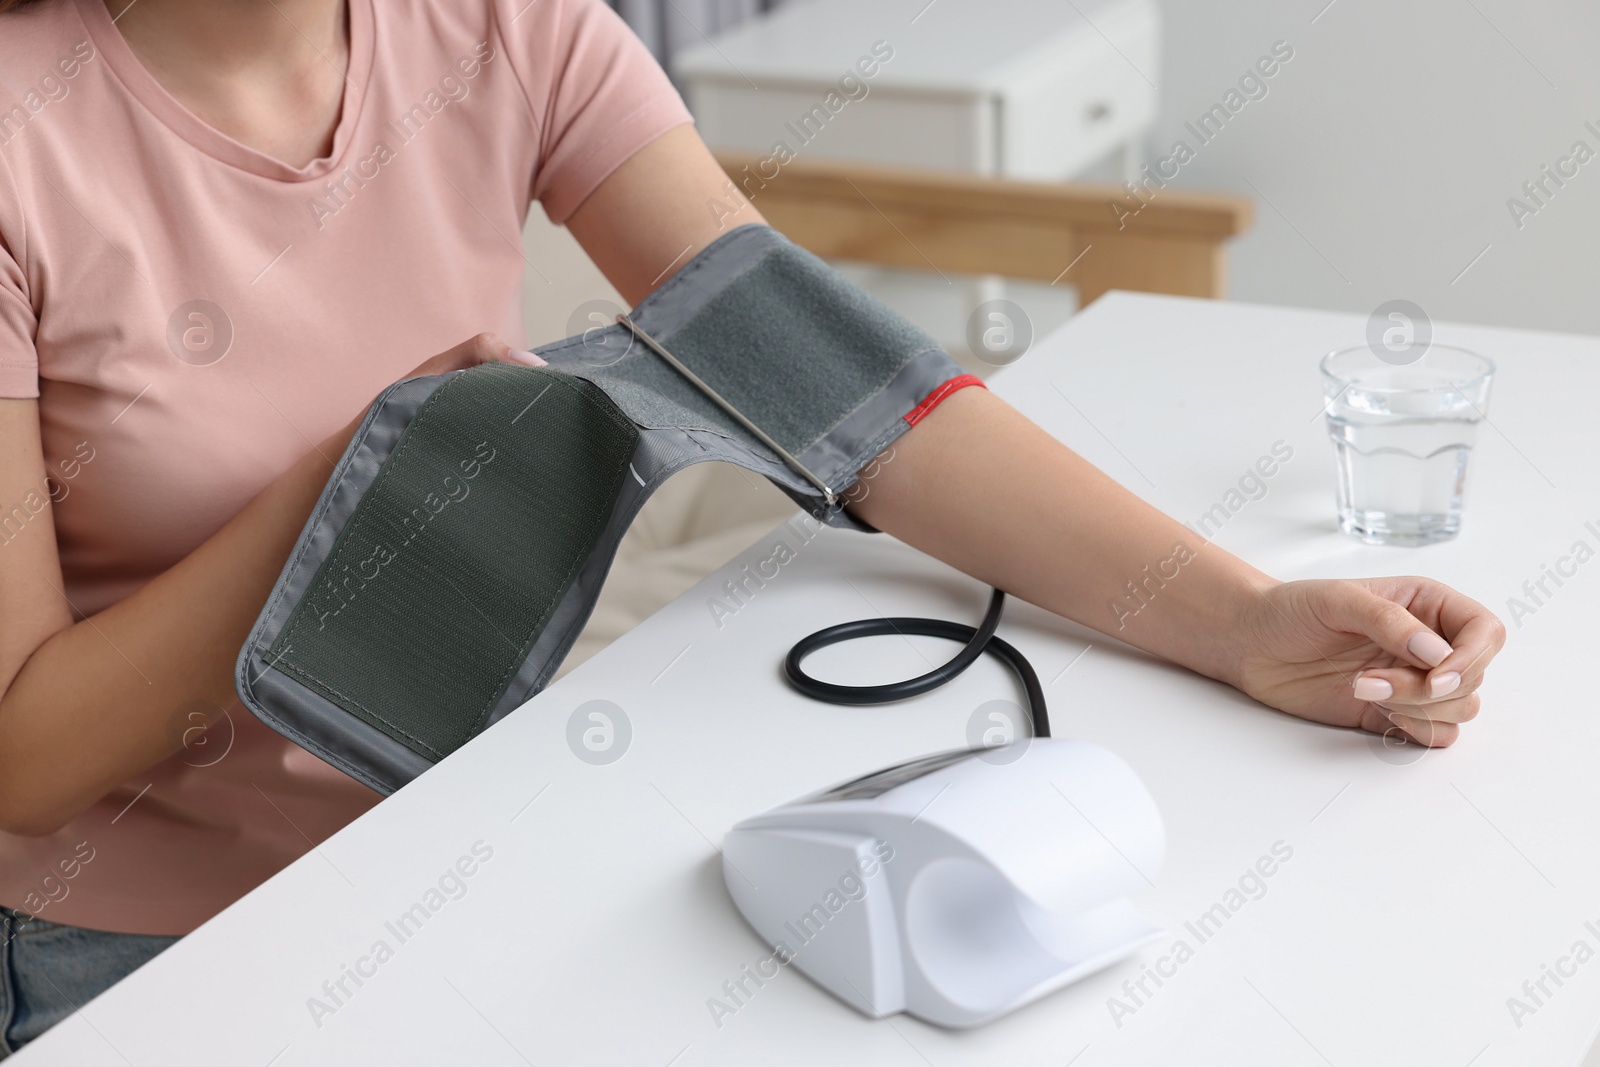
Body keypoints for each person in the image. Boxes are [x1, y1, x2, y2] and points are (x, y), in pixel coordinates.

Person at [0, 0, 1504, 1053]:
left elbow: (826, 382)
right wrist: (367, 473)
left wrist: (1240, 621)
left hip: (462, 855)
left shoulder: (509, 30)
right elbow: (27, 749)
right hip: (148, 952)